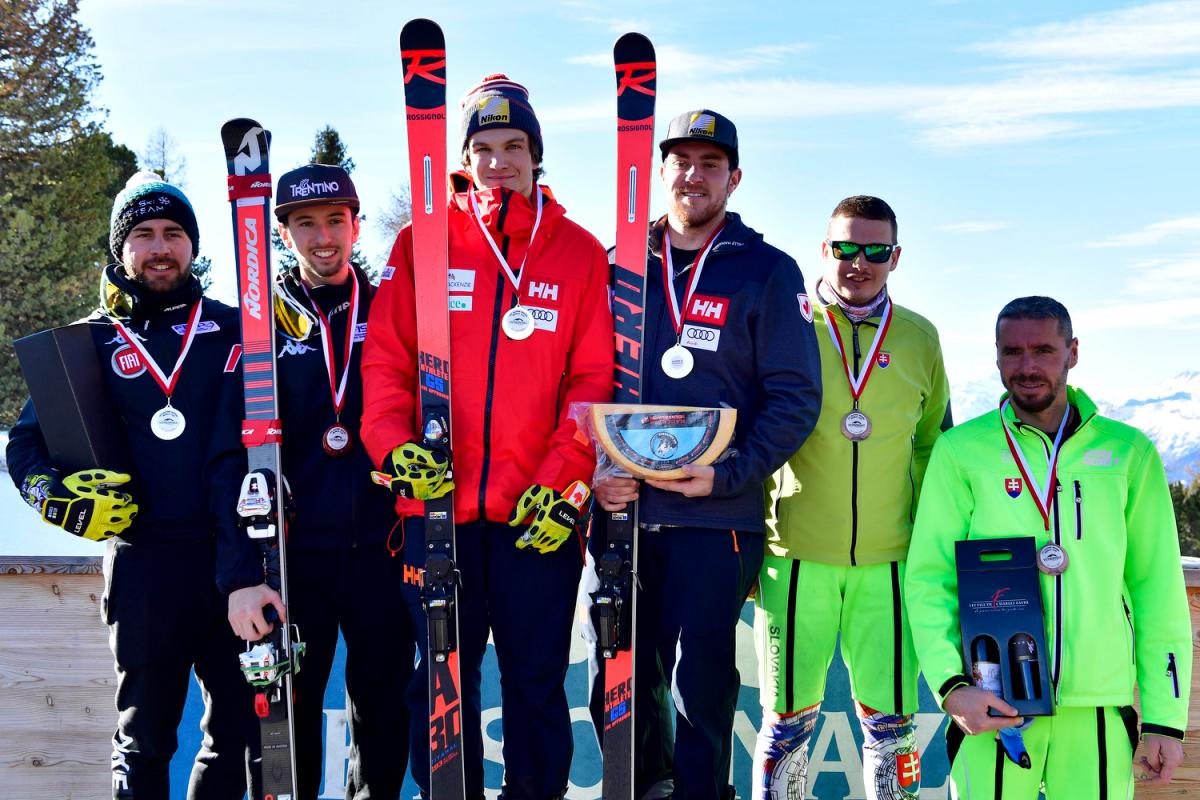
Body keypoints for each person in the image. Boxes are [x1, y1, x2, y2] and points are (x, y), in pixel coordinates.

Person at [361, 74, 614, 800]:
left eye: (514, 146)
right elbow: (385, 366)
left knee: (536, 681)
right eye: (483, 147)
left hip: (534, 513)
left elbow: (591, 379)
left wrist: (563, 476)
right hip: (436, 511)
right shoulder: (422, 243)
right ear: (462, 157)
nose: (498, 161)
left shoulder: (577, 252)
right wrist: (390, 446)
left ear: (537, 156)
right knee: (439, 684)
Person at [588, 109, 822, 800]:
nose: (693, 175)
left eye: (710, 163)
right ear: (660, 172)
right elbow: (586, 385)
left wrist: (728, 473)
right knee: (621, 680)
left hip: (715, 519)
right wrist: (598, 471)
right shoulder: (618, 266)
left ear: (735, 178)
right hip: (623, 514)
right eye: (681, 161)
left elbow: (795, 399)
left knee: (700, 688)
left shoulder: (767, 271)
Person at [6, 172, 257, 799]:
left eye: (174, 233)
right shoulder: (86, 343)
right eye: (142, 235)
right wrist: (58, 503)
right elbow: (25, 447)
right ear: (121, 250)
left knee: (236, 736)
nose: (160, 247)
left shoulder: (238, 330)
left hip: (233, 562)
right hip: (143, 563)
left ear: (193, 247)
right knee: (144, 741)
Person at [905, 296, 1192, 797]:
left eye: (1043, 349)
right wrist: (953, 686)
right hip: (992, 704)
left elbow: (1157, 590)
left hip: (1097, 708)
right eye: (1011, 352)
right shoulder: (961, 451)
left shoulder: (1129, 453)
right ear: (996, 357)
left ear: (1072, 352)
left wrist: (1165, 720)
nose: (1027, 366)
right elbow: (930, 578)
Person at [218, 163, 414, 799]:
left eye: (336, 220)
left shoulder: (389, 309)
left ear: (356, 225)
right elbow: (228, 456)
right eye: (306, 223)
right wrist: (242, 571)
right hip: (291, 556)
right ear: (283, 233)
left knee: (383, 708)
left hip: (381, 551)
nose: (323, 236)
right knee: (286, 716)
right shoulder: (256, 326)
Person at [752, 196, 951, 800]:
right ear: (824, 250)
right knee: (787, 727)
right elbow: (759, 433)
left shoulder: (919, 337)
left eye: (874, 252)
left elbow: (931, 451)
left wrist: (930, 551)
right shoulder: (788, 323)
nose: (857, 263)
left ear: (895, 257)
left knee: (891, 731)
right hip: (796, 560)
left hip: (890, 568)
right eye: (845, 248)